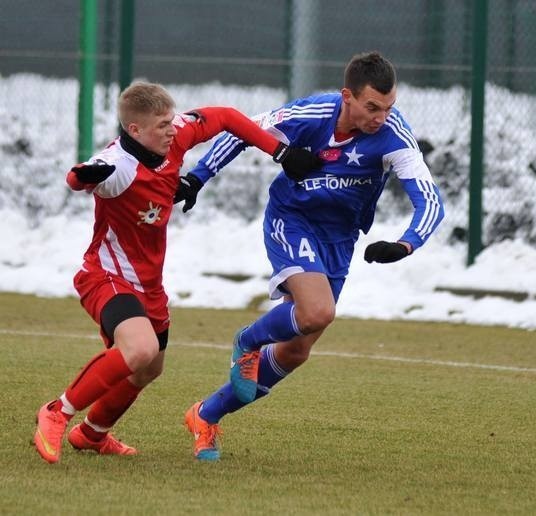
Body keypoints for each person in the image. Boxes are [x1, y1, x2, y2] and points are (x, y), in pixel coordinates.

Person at [32, 81, 321, 464]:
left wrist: (280, 151)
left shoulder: (175, 136)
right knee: (140, 349)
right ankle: (58, 412)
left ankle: (92, 434)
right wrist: (85, 175)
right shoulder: (118, 166)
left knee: (149, 369)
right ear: (134, 130)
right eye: (162, 125)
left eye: (172, 121)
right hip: (107, 275)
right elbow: (77, 179)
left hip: (149, 283)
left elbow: (227, 117)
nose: (173, 130)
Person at [177, 51, 445, 461]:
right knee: (318, 312)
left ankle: (205, 416)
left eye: (388, 108)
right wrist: (198, 177)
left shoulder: (394, 135)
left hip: (339, 240)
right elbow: (240, 131)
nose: (381, 117)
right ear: (347, 97)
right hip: (292, 220)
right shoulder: (310, 113)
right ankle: (247, 340)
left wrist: (406, 243)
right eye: (372, 107)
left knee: (295, 351)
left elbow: (430, 200)